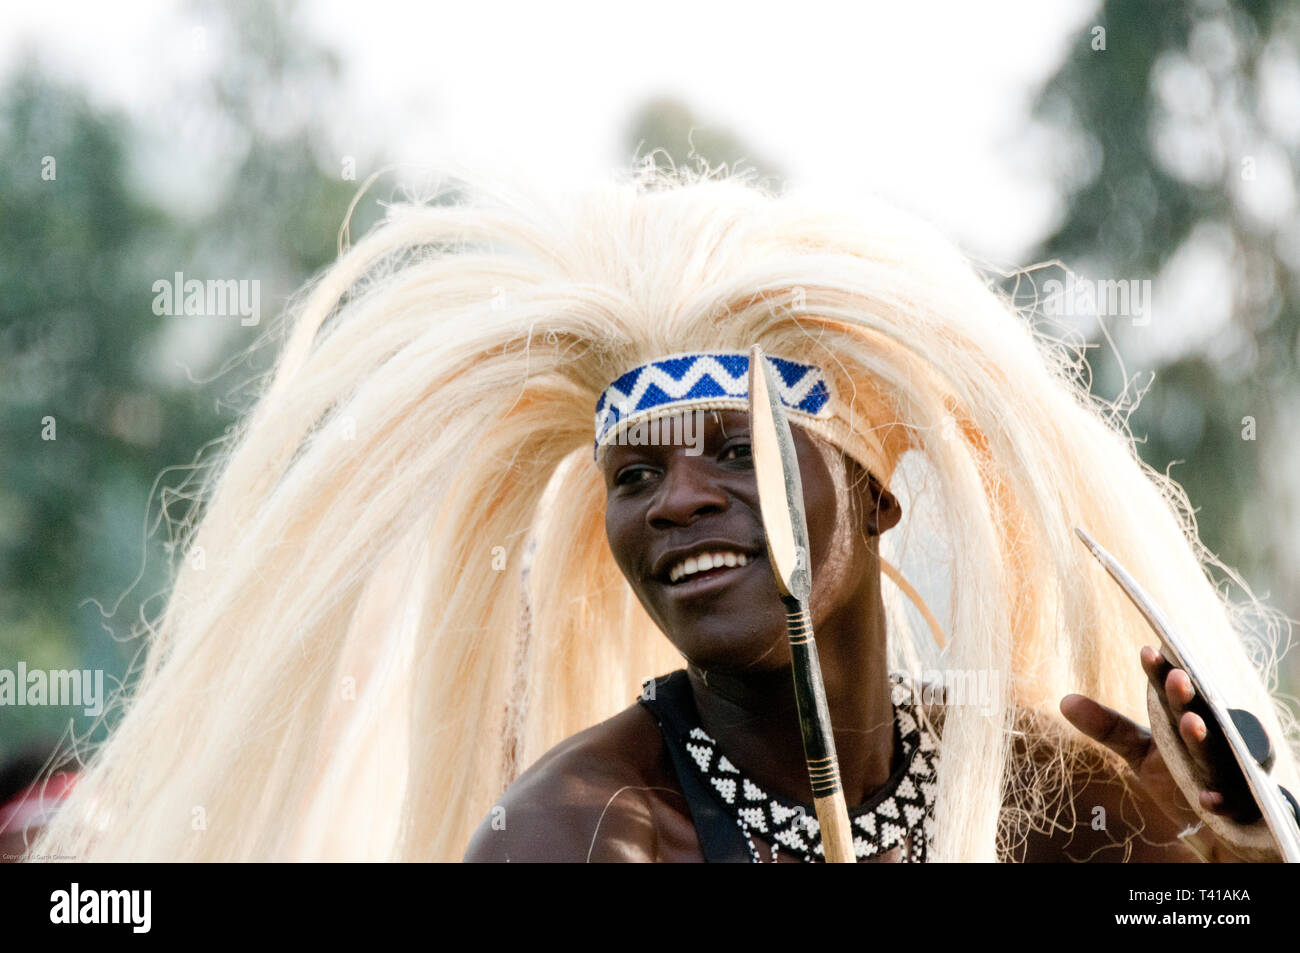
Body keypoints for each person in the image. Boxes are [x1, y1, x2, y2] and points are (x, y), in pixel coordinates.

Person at [32, 160, 1298, 862]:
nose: (680, 498)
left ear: (871, 489)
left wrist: (1235, 860)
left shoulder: (1038, 784)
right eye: (634, 477)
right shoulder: (579, 837)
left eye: (736, 452)